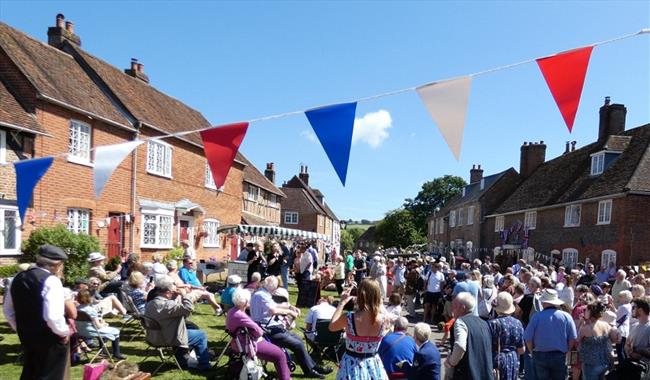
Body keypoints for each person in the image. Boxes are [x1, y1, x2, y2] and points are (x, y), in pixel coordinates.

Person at [3, 245, 71, 380]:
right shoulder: (51, 281)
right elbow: (52, 316)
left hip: (27, 335)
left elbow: (8, 310)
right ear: (57, 265)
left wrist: (20, 328)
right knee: (50, 375)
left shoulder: (18, 277)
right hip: (50, 338)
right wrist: (64, 332)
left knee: (30, 372)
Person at [250, 276, 330, 378]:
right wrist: (289, 312)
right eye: (275, 288)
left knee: (298, 340)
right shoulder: (262, 295)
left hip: (271, 327)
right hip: (268, 330)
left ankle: (314, 366)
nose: (276, 290)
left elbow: (274, 305)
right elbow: (273, 310)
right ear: (272, 287)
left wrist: (290, 307)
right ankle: (309, 370)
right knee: (297, 344)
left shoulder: (261, 293)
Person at [144, 275, 211, 371]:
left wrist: (174, 296)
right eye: (172, 291)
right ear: (167, 292)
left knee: (190, 328)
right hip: (168, 338)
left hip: (154, 337)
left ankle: (182, 360)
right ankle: (204, 365)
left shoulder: (150, 303)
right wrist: (184, 295)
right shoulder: (168, 305)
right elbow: (188, 309)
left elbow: (167, 312)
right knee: (201, 335)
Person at [330, 279, 389, 380]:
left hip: (351, 365)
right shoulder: (384, 319)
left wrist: (342, 303)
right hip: (374, 365)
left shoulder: (349, 317)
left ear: (360, 294)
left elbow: (332, 326)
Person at [227, 288, 290, 380]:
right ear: (245, 302)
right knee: (280, 355)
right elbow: (259, 332)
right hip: (248, 345)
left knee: (277, 350)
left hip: (238, 343)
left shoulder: (232, 311)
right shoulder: (240, 315)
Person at [524, 289, 577, 380]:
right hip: (560, 356)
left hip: (540, 355)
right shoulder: (566, 316)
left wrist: (532, 352)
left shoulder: (536, 317)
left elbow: (528, 338)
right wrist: (567, 350)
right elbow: (573, 337)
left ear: (544, 302)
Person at [445, 292, 494, 380]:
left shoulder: (460, 322)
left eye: (454, 306)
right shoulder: (483, 323)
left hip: (467, 373)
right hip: (484, 372)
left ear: (463, 308)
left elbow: (460, 346)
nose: (452, 309)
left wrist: (451, 362)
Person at [76, 289, 127, 360]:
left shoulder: (76, 309)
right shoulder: (91, 310)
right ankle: (116, 353)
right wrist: (104, 324)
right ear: (90, 298)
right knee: (116, 331)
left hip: (79, 332)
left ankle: (102, 351)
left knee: (104, 333)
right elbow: (98, 326)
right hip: (90, 332)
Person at [577, 302, 620, 380]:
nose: (584, 311)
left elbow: (577, 340)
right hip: (604, 362)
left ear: (590, 312)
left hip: (590, 363)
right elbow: (615, 339)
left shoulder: (585, 328)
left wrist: (580, 323)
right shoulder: (606, 325)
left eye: (586, 310)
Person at [488, 292, 525, 380]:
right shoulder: (518, 323)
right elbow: (522, 350)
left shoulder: (491, 324)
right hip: (512, 360)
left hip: (496, 360)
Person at [625, 297, 650, 364]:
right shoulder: (634, 326)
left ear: (640, 310)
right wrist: (628, 348)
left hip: (646, 369)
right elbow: (627, 344)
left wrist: (637, 351)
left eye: (633, 307)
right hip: (634, 366)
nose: (631, 310)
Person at [615, 290, 633, 361]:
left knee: (620, 350)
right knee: (623, 349)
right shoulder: (629, 305)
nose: (619, 298)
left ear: (625, 298)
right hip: (626, 329)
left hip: (620, 330)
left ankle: (622, 367)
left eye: (620, 296)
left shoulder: (622, 307)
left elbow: (617, 318)